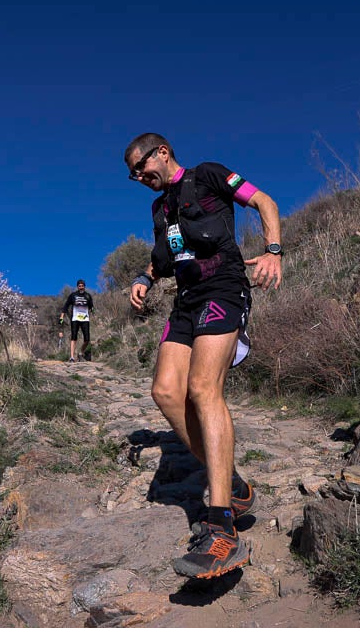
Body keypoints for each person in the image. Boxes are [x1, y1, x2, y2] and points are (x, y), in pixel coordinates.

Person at [125, 133, 283, 579]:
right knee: (165, 392)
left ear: (161, 152)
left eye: (140, 168)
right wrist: (144, 277)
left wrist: (273, 250)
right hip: (186, 300)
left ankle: (221, 528)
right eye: (132, 175)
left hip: (223, 288)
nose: (138, 178)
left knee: (201, 389)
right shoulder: (159, 210)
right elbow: (163, 256)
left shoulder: (209, 175)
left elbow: (264, 202)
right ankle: (231, 483)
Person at [59, 279, 95, 362]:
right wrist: (61, 317)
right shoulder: (73, 295)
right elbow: (66, 306)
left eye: (82, 286)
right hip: (75, 319)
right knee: (74, 337)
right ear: (77, 287)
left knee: (87, 339)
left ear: (84, 286)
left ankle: (81, 352)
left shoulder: (88, 296)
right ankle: (72, 357)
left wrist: (93, 311)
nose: (81, 287)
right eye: (79, 286)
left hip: (85, 319)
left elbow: (91, 307)